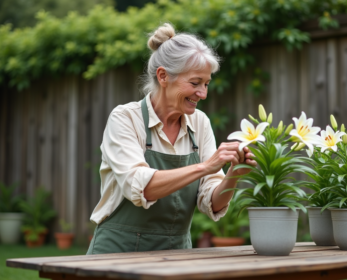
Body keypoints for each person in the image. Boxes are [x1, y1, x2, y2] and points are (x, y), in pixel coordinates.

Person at [87, 23, 256, 254]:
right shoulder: (125, 118)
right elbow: (141, 187)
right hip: (116, 253)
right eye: (195, 83)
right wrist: (206, 166)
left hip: (176, 256)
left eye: (206, 84)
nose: (203, 94)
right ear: (163, 76)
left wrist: (233, 173)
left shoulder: (200, 123)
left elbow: (212, 203)